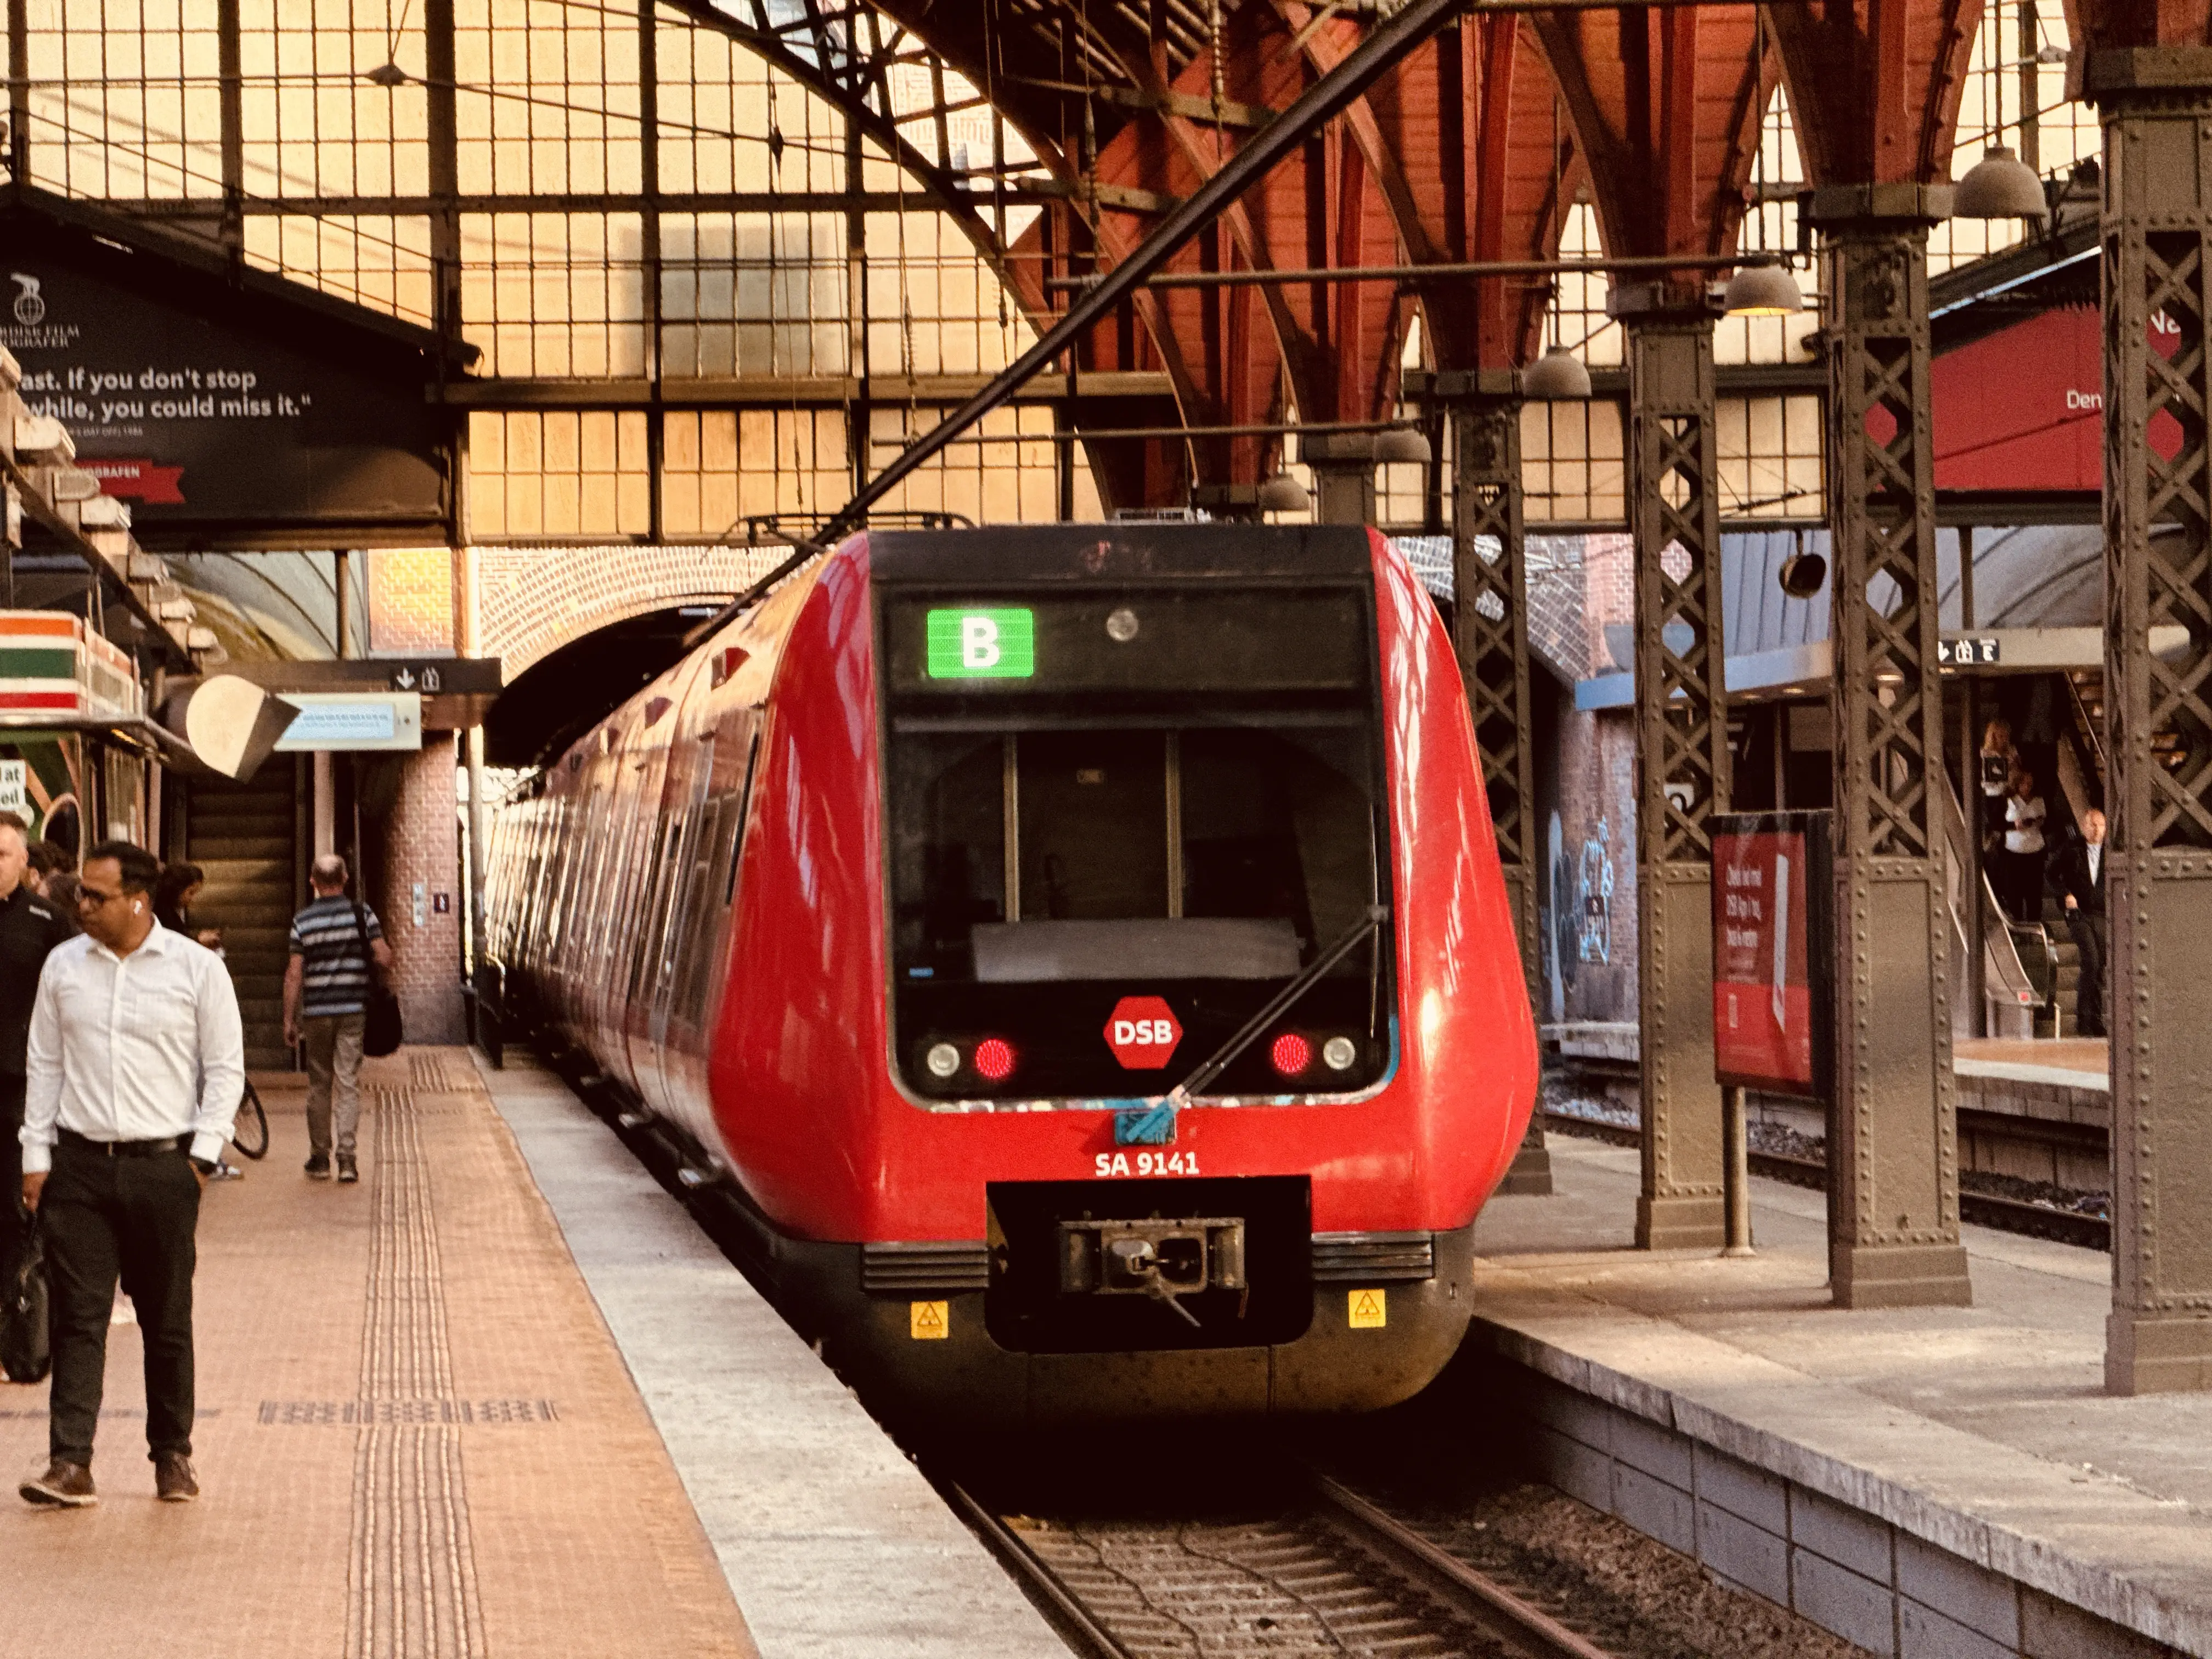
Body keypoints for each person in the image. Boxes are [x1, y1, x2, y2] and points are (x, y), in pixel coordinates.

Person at [18, 840, 244, 1507]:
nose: (80, 904)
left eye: (96, 896)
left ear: (138, 898)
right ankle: (70, 1463)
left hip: (162, 1168)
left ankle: (172, 1456)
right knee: (79, 1319)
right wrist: (37, 1157)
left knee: (166, 1319)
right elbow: (46, 1066)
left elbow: (225, 1068)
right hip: (80, 1168)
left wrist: (201, 1157)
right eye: (80, 893)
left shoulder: (196, 970)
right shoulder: (64, 967)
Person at [0, 811, 74, 1380]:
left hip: (20, 1090)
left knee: (17, 1210)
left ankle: (20, 1327)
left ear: (25, 863)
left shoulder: (47, 923)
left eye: (2, 854)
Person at [284, 854, 392, 1185]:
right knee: (348, 1081)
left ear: (313, 882)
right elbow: (384, 957)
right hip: (352, 1010)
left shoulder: (302, 921)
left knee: (319, 1083)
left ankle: (319, 1159)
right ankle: (347, 1160)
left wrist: (288, 1019)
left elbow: (294, 974)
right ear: (345, 878)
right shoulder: (363, 914)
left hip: (316, 1012)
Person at [2054, 806, 2109, 1039]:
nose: (2097, 830)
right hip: (2079, 915)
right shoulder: (2072, 848)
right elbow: (2052, 872)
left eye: (2101, 826)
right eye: (2093, 825)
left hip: (2102, 914)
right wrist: (2066, 894)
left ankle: (2096, 1020)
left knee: (2100, 967)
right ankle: (2083, 1020)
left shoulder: (2111, 851)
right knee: (2091, 960)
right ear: (2084, 827)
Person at [2001, 768, 2048, 924]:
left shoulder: (2039, 800)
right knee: (2015, 892)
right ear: (2018, 784)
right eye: (2024, 784)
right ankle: (2017, 924)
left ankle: (2035, 924)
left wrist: (2040, 822)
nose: (2027, 787)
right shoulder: (2009, 800)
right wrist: (2014, 825)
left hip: (2035, 850)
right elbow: (1996, 823)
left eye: (2030, 784)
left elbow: (2049, 821)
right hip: (2014, 851)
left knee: (2034, 892)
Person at [1979, 718, 2017, 846]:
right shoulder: (1988, 754)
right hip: (1995, 796)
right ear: (1993, 736)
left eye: (2006, 736)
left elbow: (2017, 769)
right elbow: (1990, 780)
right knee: (1998, 827)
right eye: (2001, 736)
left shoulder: (2012, 751)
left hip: (2012, 793)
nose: (2004, 739)